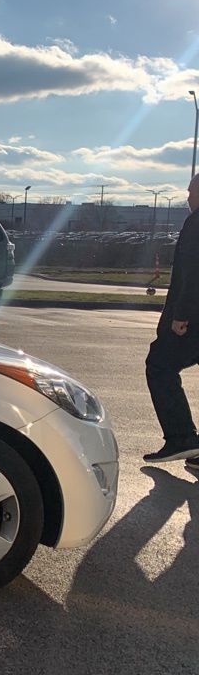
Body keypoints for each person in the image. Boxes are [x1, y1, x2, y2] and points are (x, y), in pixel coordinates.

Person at [145, 173, 199, 464]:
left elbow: (193, 272)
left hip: (192, 319)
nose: (188, 197)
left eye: (192, 191)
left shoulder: (197, 222)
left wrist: (181, 315)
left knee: (159, 365)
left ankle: (181, 438)